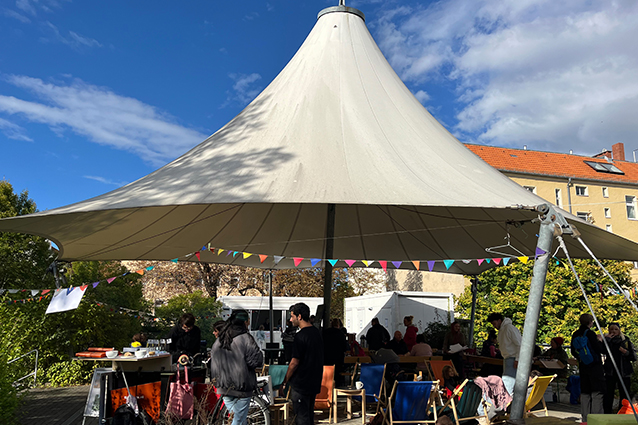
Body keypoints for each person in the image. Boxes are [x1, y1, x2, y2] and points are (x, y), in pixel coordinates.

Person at [210, 310, 264, 425]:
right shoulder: (245, 338)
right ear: (245, 322)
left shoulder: (219, 340)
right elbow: (255, 361)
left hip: (223, 385)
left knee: (239, 418)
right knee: (238, 420)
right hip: (241, 386)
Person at [282, 303, 324, 425]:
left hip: (301, 383)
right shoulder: (317, 333)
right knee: (309, 416)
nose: (291, 319)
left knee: (301, 418)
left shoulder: (300, 336)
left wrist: (285, 380)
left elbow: (294, 362)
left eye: (292, 316)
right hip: (314, 381)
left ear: (299, 316)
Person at [571, 313, 606, 422]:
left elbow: (573, 351)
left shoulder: (575, 334)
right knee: (597, 393)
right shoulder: (590, 334)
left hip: (583, 366)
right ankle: (597, 418)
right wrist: (601, 341)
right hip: (594, 367)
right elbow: (600, 349)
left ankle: (585, 419)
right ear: (590, 322)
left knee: (585, 393)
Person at [603, 322, 636, 414]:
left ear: (619, 330)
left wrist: (626, 352)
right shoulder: (607, 340)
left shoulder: (625, 341)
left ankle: (622, 411)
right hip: (611, 371)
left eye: (615, 329)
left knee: (624, 394)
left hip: (623, 371)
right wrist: (607, 340)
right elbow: (602, 350)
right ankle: (607, 412)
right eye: (611, 329)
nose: (613, 331)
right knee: (608, 393)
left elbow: (633, 357)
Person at [487, 312, 521, 396]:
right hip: (508, 358)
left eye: (494, 323)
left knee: (507, 383)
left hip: (512, 358)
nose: (494, 326)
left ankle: (503, 403)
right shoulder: (503, 330)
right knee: (508, 383)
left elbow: (519, 344)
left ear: (499, 320)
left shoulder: (509, 328)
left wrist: (517, 359)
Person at [323, 318, 349, 386]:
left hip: (327, 357)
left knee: (328, 374)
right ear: (338, 325)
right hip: (338, 358)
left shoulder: (325, 333)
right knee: (337, 374)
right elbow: (344, 347)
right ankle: (337, 388)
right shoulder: (341, 334)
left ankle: (328, 387)